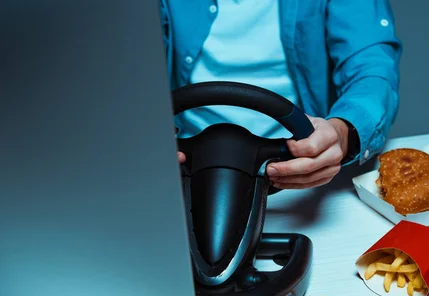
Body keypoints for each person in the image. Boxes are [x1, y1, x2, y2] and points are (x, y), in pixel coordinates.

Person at [160, 0, 402, 189]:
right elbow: (130, 69)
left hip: (304, 171)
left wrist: (340, 132)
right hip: (183, 170)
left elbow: (372, 69)